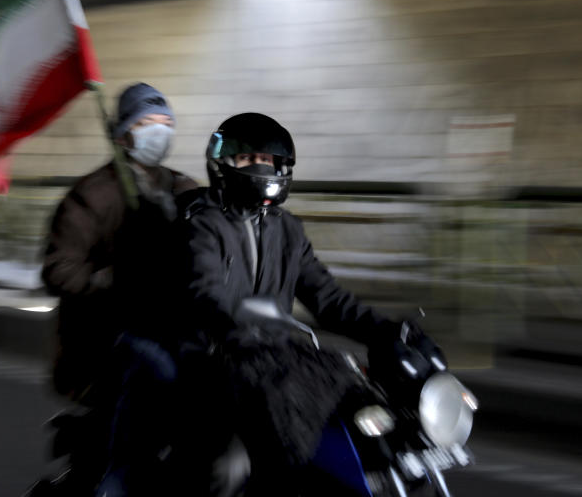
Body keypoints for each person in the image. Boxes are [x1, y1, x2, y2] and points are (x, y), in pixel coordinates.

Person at [173, 112, 444, 495]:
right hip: (215, 360)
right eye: (249, 159)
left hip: (275, 359)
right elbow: (205, 290)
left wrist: (386, 330)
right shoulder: (203, 223)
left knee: (365, 432)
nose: (261, 167)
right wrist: (232, 319)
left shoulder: (287, 229)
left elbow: (328, 298)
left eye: (267, 160)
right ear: (224, 164)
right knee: (230, 466)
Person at [40, 82, 198, 493]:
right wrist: (110, 279)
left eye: (165, 123)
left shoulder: (185, 189)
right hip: (105, 341)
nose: (158, 131)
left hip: (176, 332)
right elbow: (58, 270)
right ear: (122, 132)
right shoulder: (91, 195)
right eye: (146, 123)